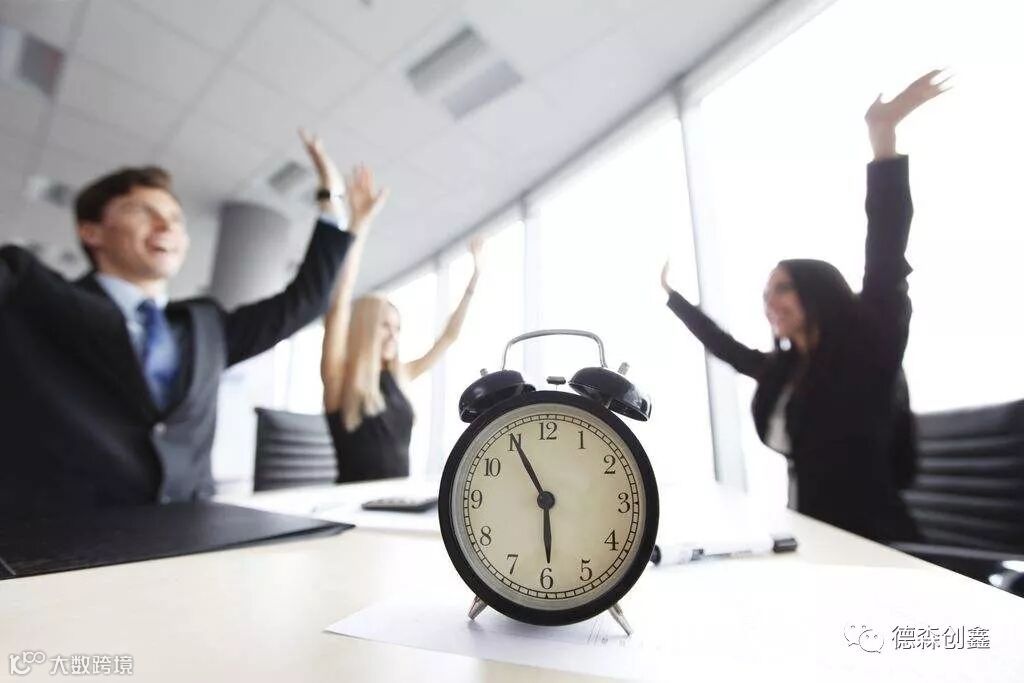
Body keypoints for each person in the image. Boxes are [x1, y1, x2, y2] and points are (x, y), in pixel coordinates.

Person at [0, 130, 361, 512]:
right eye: (142, 211)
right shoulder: (27, 294)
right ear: (91, 232)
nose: (166, 225)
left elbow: (306, 300)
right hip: (57, 537)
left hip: (188, 531)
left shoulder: (207, 327)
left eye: (175, 218)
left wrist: (332, 201)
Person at [661, 70, 951, 542]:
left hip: (873, 543)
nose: (770, 303)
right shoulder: (787, 369)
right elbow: (726, 348)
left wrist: (883, 138)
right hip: (811, 534)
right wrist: (673, 299)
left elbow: (885, 256)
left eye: (782, 288)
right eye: (766, 294)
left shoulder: (868, 348)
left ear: (817, 291)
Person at [319, 158, 483, 482]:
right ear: (365, 328)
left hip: (398, 499)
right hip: (355, 504)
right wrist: (359, 224)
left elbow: (448, 338)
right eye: (385, 325)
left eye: (398, 328)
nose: (394, 335)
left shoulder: (401, 375)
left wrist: (474, 277)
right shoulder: (340, 379)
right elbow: (339, 304)